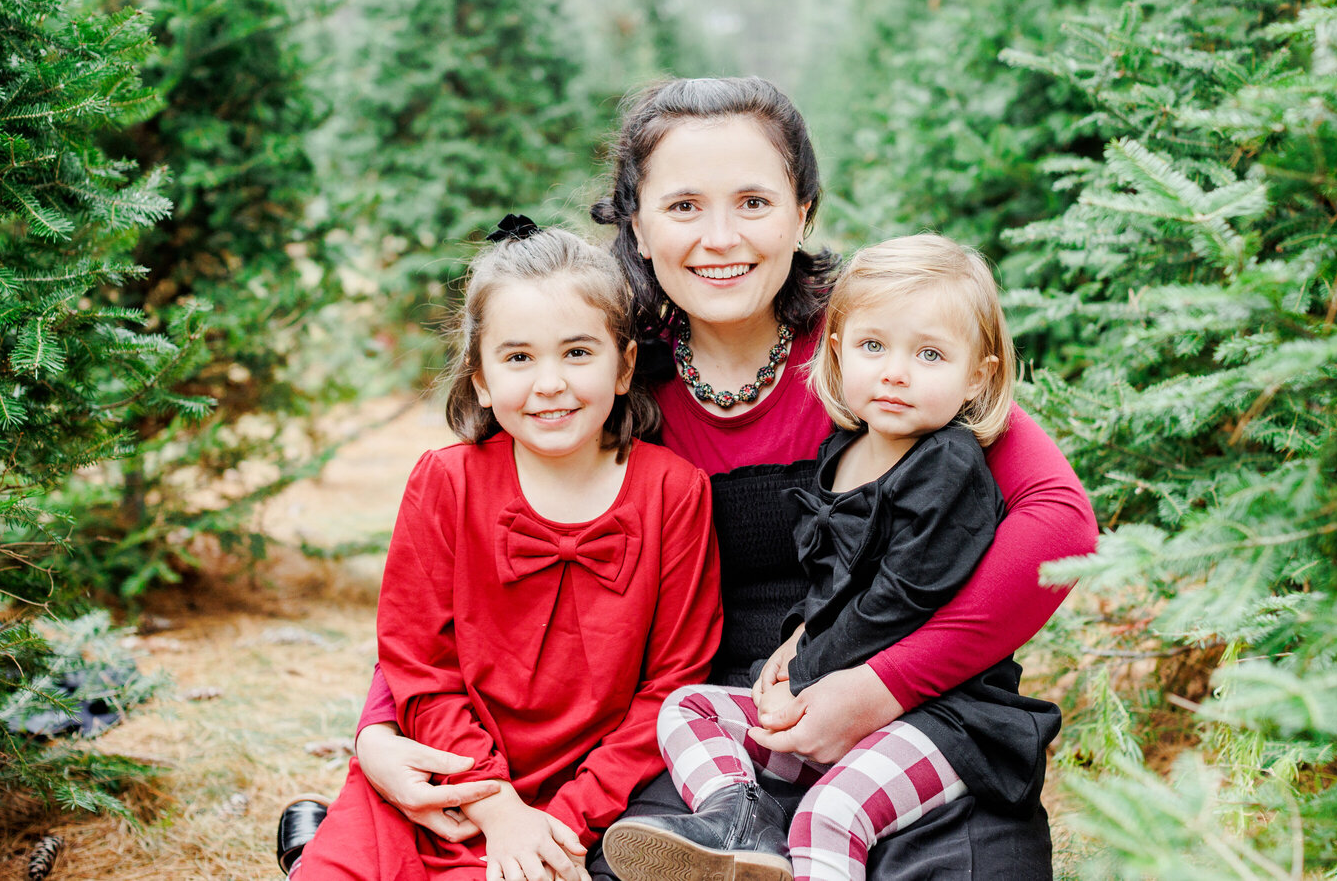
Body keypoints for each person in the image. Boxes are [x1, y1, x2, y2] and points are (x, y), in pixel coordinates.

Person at [281, 77, 1099, 881]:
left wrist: (881, 686)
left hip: (911, 698)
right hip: (704, 735)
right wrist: (379, 732)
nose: (720, 238)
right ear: (634, 223)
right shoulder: (601, 370)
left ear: (803, 212)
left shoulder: (870, 354)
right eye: (682, 207)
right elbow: (458, 575)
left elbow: (1061, 522)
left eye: (753, 202)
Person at [600, 235, 1061, 881]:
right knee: (690, 709)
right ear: (839, 353)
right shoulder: (843, 453)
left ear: (978, 375)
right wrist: (792, 645)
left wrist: (808, 663)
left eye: (930, 354)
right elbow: (828, 585)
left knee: (831, 812)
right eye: (875, 348)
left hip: (942, 714)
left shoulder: (949, 463)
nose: (896, 371)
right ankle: (737, 819)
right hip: (831, 695)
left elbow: (901, 598)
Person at [289, 220, 722, 881]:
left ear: (625, 364)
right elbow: (419, 665)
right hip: (445, 782)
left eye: (577, 352)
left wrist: (563, 819)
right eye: (519, 358)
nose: (549, 382)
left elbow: (674, 683)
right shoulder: (446, 482)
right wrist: (495, 803)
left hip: (584, 796)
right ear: (482, 378)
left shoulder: (674, 491)